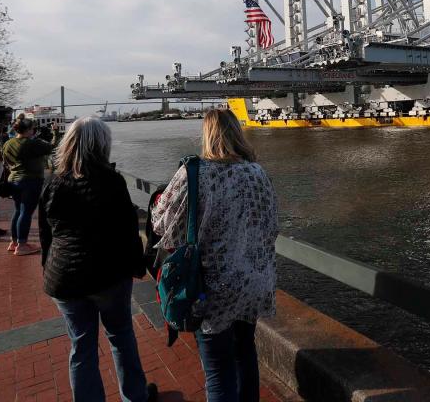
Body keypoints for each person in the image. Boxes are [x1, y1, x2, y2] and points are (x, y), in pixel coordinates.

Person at [151, 108, 278, 402]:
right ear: (237, 133)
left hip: (212, 289)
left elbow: (160, 222)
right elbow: (271, 225)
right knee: (245, 354)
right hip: (252, 283)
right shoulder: (258, 172)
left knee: (218, 371)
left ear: (207, 135)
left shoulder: (194, 172)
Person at [39, 117, 155, 402]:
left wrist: (49, 266)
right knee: (121, 337)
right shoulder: (111, 181)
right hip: (108, 275)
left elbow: (46, 234)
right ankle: (135, 396)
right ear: (103, 145)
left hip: (63, 277)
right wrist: (138, 265)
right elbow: (128, 230)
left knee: (81, 345)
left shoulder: (53, 182)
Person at [1, 117, 55, 256]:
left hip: (14, 180)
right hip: (30, 181)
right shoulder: (32, 143)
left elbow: (5, 162)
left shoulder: (8, 143)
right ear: (29, 129)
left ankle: (14, 242)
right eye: (32, 128)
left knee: (18, 211)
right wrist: (56, 133)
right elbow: (52, 147)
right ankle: (22, 246)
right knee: (26, 213)